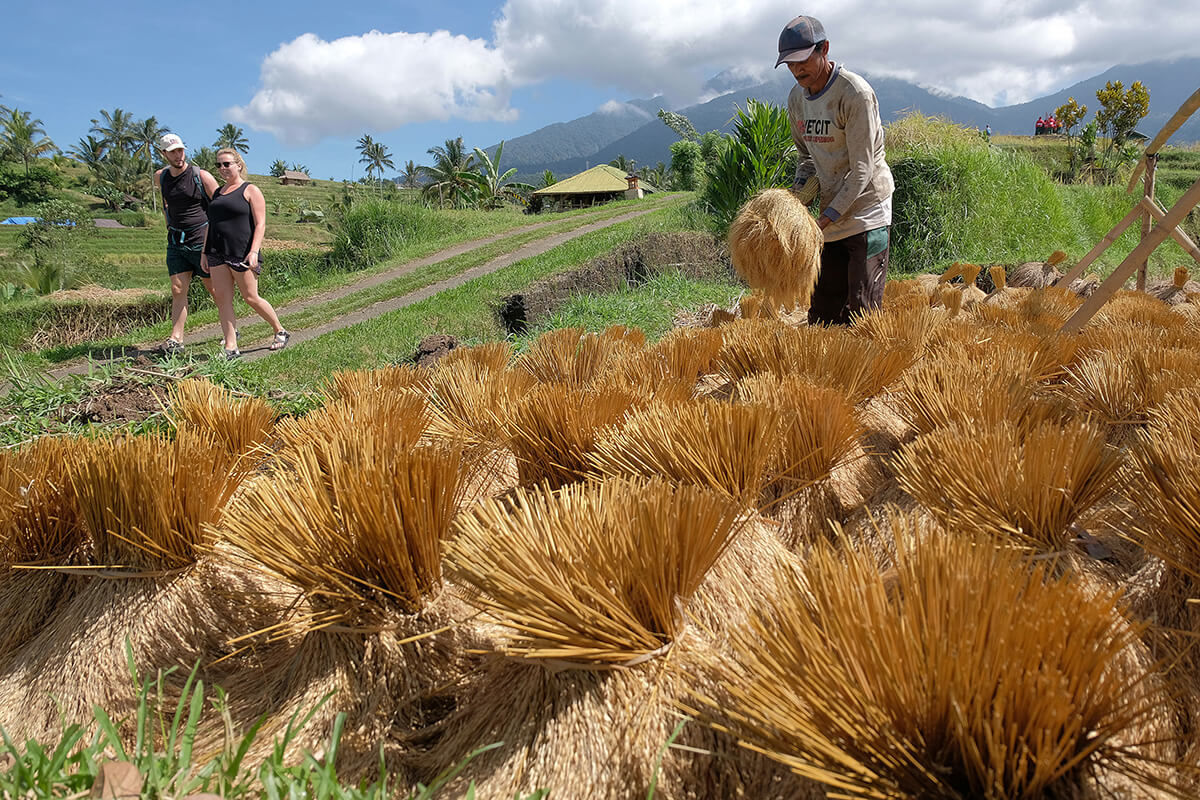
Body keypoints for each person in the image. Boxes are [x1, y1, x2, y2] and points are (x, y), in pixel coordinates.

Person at [776, 15, 894, 326]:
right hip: (828, 218)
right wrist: (797, 201)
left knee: (862, 311)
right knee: (824, 312)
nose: (797, 70)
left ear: (824, 48)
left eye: (802, 61)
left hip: (866, 211)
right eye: (790, 65)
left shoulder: (854, 94)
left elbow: (861, 171)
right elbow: (806, 158)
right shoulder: (796, 100)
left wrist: (821, 222)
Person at [202, 148, 290, 359]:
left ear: (238, 165)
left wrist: (253, 251)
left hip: (240, 251)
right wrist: (204, 252)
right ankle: (231, 346)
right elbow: (210, 224)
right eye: (219, 165)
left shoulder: (250, 190)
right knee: (223, 299)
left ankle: (280, 330)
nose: (222, 169)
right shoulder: (216, 193)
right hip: (216, 251)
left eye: (227, 164)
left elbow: (260, 224)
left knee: (251, 297)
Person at [156, 133, 218, 354]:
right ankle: (176, 338)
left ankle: (230, 328)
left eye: (180, 150)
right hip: (176, 241)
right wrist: (168, 225)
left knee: (214, 289)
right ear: (163, 154)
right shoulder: (161, 177)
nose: (178, 155)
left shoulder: (201, 176)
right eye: (172, 152)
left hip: (201, 241)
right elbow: (166, 205)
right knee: (177, 288)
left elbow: (219, 206)